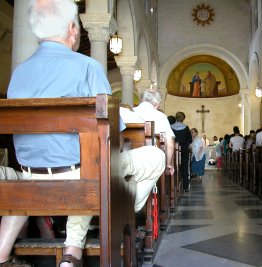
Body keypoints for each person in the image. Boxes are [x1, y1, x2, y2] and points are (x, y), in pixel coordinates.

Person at [2, 1, 165, 266]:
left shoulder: (19, 72)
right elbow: (113, 131)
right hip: (81, 179)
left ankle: (4, 254)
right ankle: (81, 241)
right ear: (71, 29)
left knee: (87, 162)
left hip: (29, 176)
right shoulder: (87, 67)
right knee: (152, 156)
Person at [171, 112, 192, 192]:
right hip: (184, 150)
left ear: (176, 117)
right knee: (184, 167)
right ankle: (185, 187)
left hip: (173, 150)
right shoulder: (186, 128)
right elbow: (190, 140)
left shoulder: (171, 127)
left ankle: (173, 185)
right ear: (183, 119)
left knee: (174, 167)